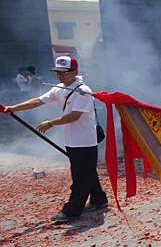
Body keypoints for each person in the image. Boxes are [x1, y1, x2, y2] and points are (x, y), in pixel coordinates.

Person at [2, 56, 108, 222]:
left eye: (64, 73)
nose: (60, 76)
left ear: (75, 72)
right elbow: (38, 100)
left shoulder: (83, 91)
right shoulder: (58, 88)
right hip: (72, 140)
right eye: (58, 72)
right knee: (85, 171)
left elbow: (74, 116)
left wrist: (51, 123)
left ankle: (72, 211)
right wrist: (14, 108)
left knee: (81, 177)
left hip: (85, 140)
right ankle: (99, 199)